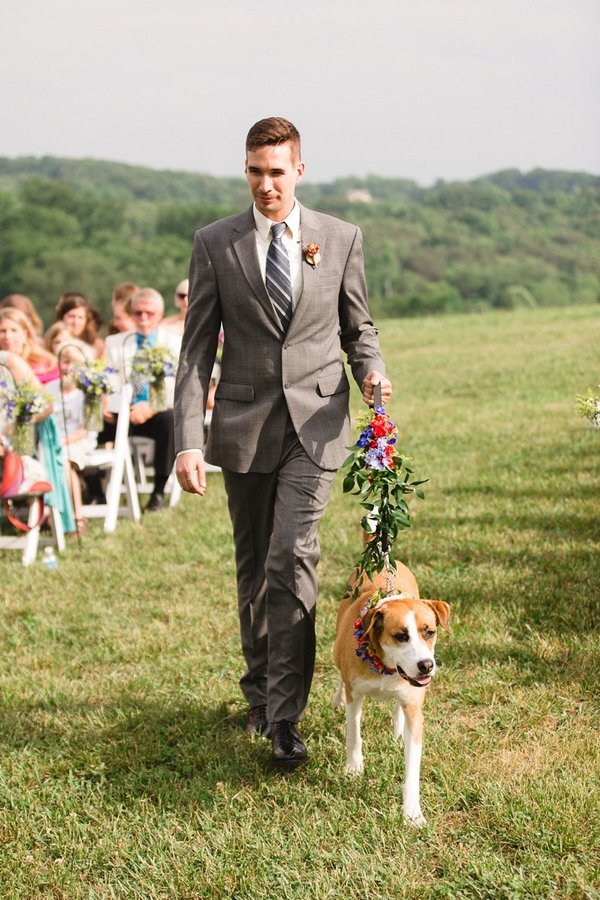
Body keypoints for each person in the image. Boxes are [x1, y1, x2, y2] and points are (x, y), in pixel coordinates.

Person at [174, 116, 392, 766]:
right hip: (243, 428)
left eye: (277, 171)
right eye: (255, 171)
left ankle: (285, 719)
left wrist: (373, 371)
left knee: (290, 555)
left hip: (318, 423)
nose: (266, 184)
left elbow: (360, 328)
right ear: (246, 172)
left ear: (299, 169)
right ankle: (259, 693)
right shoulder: (216, 244)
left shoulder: (340, 237)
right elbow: (193, 354)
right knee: (254, 572)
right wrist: (189, 439)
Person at [103, 287, 181, 512]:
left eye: (150, 313)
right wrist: (107, 403)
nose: (143, 318)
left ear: (160, 313)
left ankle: (158, 491)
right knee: (91, 423)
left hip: (157, 410)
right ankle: (94, 490)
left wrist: (151, 407)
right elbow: (109, 378)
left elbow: (180, 385)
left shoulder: (174, 343)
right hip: (123, 410)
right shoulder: (116, 343)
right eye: (138, 313)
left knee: (171, 421)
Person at [0, 307, 59, 383]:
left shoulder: (46, 365)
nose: (8, 336)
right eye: (2, 331)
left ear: (26, 334)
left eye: (14, 330)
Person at [54, 292, 104, 358]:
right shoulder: (54, 341)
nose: (75, 322)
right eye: (71, 316)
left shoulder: (97, 345)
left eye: (80, 317)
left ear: (87, 320)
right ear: (62, 317)